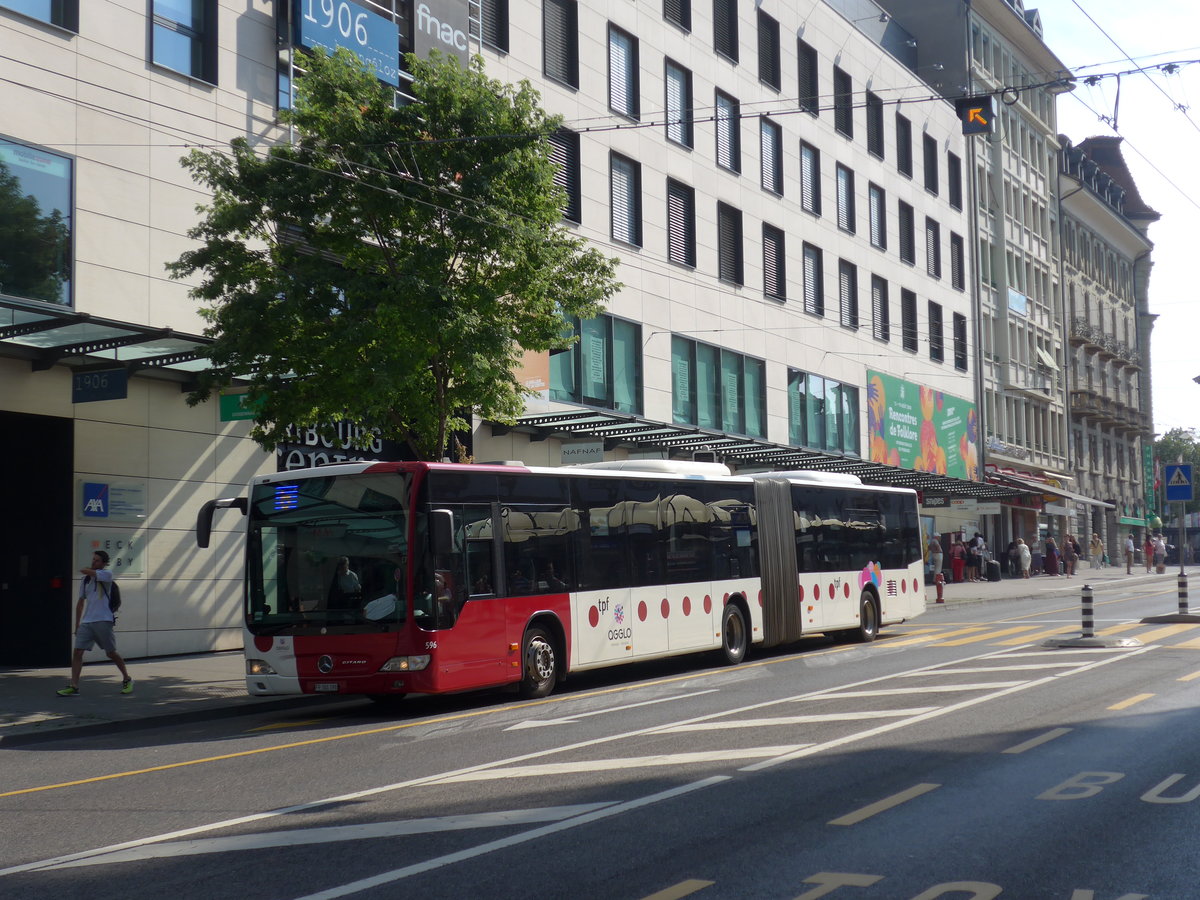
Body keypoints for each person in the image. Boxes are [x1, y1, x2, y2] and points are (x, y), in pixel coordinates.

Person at [58, 551, 132, 696]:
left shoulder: (107, 575)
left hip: (103, 620)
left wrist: (88, 569)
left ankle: (127, 679)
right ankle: (74, 686)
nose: (94, 562)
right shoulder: (85, 580)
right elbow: (80, 602)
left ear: (104, 563)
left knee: (111, 653)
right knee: (78, 651)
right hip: (87, 621)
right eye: (93, 560)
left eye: (97, 560)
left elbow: (85, 570)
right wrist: (77, 624)